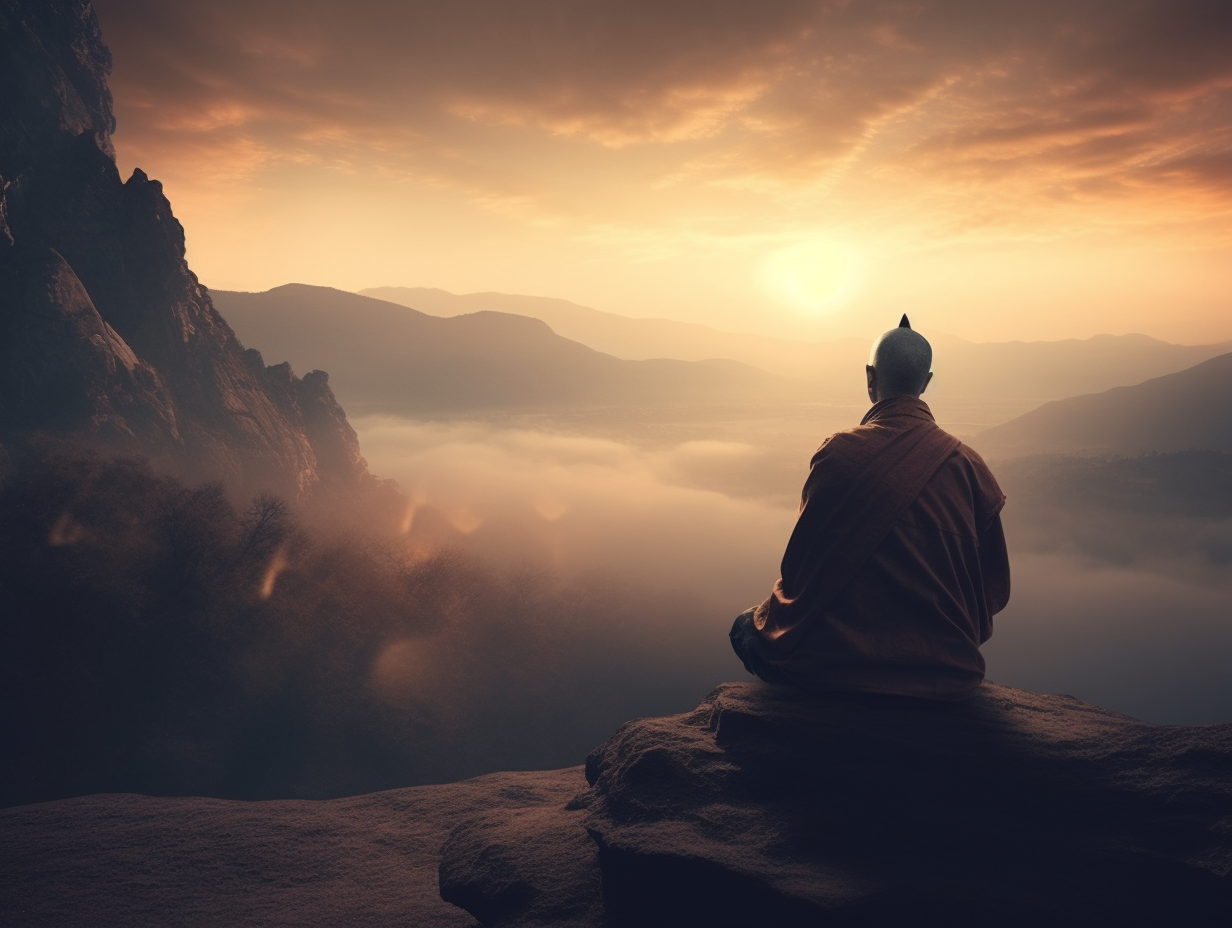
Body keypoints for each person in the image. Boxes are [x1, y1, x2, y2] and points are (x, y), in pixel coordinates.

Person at [730, 315, 1010, 700]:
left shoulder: (838, 453)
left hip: (834, 670)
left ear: (869, 377)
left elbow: (798, 574)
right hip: (946, 676)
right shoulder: (971, 467)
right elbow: (993, 593)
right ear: (926, 383)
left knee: (745, 626)